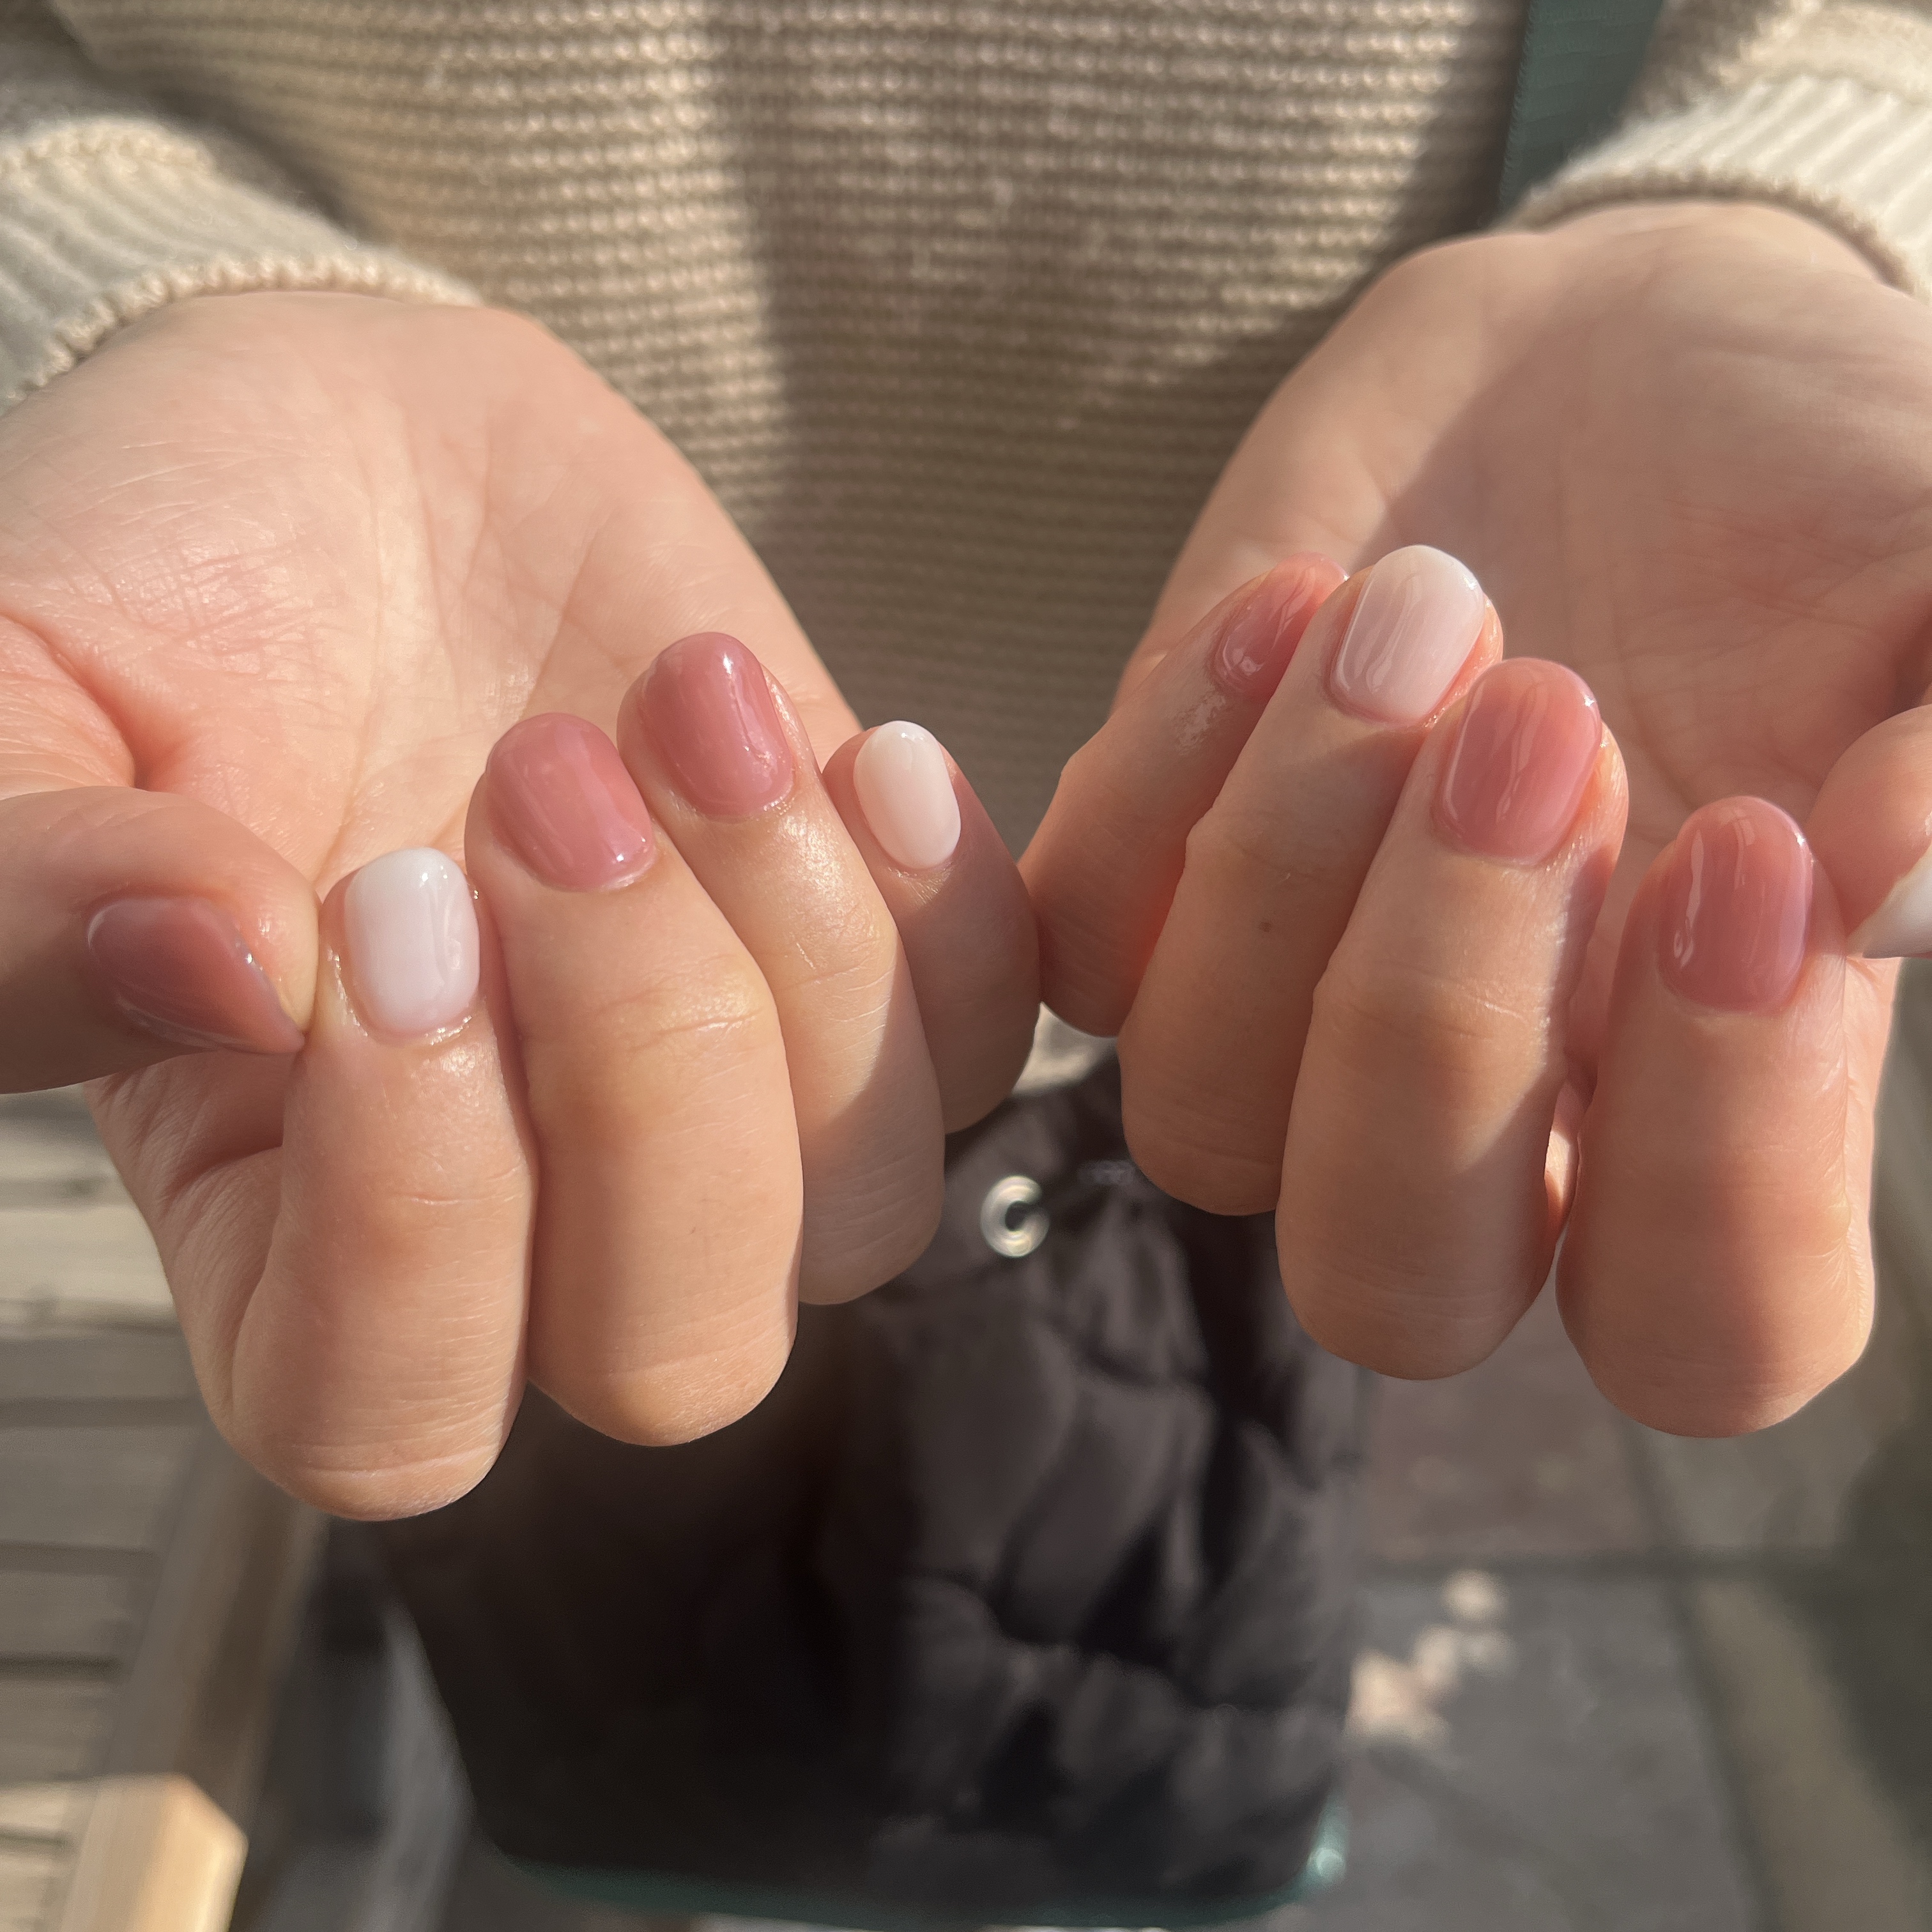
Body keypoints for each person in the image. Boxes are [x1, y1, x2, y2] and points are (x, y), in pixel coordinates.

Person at [2, 0, 1929, 1913]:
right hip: (454, 911)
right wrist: (124, 280)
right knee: (590, 1605)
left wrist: (1778, 210)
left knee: (1132, 1659)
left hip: (1264, 993)